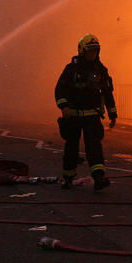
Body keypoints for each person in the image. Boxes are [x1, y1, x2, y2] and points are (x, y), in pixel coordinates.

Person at [55, 34, 117, 190]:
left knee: (94, 147)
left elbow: (107, 92)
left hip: (92, 116)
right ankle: (68, 177)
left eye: (96, 51)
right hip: (73, 116)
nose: (93, 54)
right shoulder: (71, 69)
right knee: (71, 148)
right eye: (90, 51)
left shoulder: (101, 70)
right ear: (82, 51)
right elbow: (60, 90)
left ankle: (98, 177)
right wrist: (65, 107)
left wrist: (113, 113)